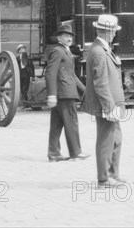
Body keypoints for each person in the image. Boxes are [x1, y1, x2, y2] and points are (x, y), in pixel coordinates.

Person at [82, 14, 126, 189]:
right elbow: (100, 83)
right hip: (106, 105)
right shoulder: (99, 52)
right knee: (106, 140)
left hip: (111, 104)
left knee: (116, 138)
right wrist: (110, 106)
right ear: (108, 32)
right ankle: (103, 178)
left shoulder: (102, 49)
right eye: (114, 30)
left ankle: (112, 174)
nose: (115, 33)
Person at [45, 22, 89, 162]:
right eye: (65, 36)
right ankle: (76, 152)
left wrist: (85, 91)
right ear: (59, 38)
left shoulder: (66, 51)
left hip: (63, 92)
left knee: (56, 125)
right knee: (71, 122)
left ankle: (53, 153)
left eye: (70, 36)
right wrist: (51, 94)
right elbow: (50, 73)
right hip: (65, 93)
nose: (69, 39)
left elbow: (72, 76)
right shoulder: (58, 51)